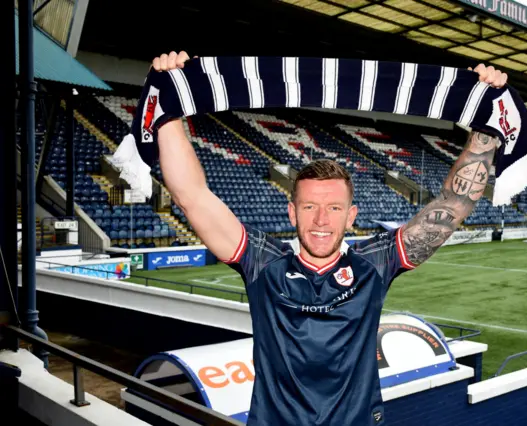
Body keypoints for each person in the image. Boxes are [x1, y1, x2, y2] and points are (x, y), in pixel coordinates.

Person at [153, 51, 507, 426]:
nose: (321, 220)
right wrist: (170, 103)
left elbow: (454, 203)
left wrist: (484, 123)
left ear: (351, 216)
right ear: (291, 212)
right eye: (309, 207)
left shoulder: (374, 264)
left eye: (334, 208)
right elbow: (191, 196)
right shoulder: (262, 263)